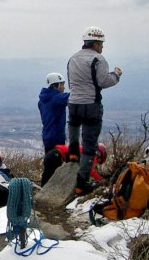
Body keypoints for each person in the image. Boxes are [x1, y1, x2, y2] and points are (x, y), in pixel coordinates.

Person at [66, 26, 122, 195]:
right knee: (89, 145)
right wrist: (116, 75)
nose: (102, 47)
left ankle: (73, 153)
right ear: (96, 44)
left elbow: (71, 81)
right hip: (91, 104)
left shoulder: (72, 58)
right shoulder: (99, 59)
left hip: (73, 102)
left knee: (73, 125)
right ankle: (81, 183)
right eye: (101, 44)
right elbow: (103, 82)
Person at [39, 72, 70, 185]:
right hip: (57, 136)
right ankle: (49, 188)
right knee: (55, 167)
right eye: (62, 84)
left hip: (47, 136)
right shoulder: (57, 98)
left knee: (49, 164)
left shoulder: (42, 100)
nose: (63, 87)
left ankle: (45, 187)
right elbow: (73, 96)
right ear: (55, 85)